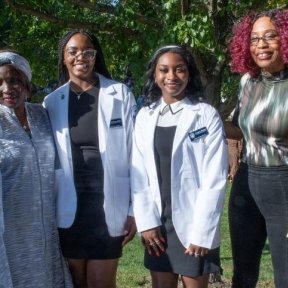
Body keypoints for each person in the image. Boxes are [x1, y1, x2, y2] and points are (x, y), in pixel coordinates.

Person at [43, 29, 137, 288]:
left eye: (88, 52)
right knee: (75, 282)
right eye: (72, 51)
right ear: (63, 57)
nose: (80, 57)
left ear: (96, 57)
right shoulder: (51, 102)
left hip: (109, 204)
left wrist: (134, 210)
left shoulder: (120, 94)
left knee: (101, 283)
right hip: (68, 207)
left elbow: (135, 156)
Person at [131, 45, 228, 288]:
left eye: (179, 70)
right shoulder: (145, 116)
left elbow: (214, 178)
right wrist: (147, 223)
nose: (171, 76)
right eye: (164, 70)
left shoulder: (205, 115)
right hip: (158, 228)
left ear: (189, 73)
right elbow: (138, 172)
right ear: (155, 75)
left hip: (194, 224)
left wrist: (202, 232)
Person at [226, 8, 288, 288]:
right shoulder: (248, 82)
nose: (261, 45)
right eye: (254, 39)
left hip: (283, 186)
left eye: (270, 36)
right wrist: (203, 117)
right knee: (243, 275)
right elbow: (239, 128)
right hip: (247, 182)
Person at [0, 51, 72, 287]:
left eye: (14, 80)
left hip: (46, 227)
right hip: (11, 230)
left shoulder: (42, 116)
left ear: (27, 86)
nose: (7, 88)